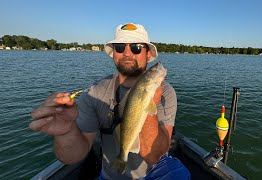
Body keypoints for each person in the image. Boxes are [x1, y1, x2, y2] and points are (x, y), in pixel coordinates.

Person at [30, 23, 190, 179]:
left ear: (148, 54)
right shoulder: (95, 93)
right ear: (113, 53)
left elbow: (153, 156)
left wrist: (150, 100)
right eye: (120, 47)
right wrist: (66, 132)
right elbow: (71, 158)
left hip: (155, 171)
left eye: (136, 47)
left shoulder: (166, 92)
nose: (127, 53)